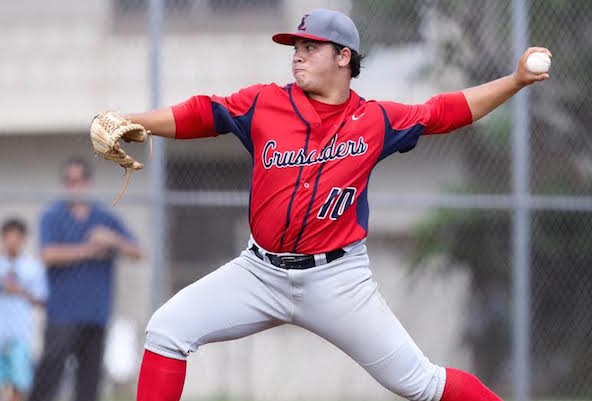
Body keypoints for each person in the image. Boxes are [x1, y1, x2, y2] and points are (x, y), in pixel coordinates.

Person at [121, 9, 551, 401]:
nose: (297, 56)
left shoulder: (375, 120)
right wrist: (132, 121)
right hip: (259, 271)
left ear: (344, 56)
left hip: (337, 280)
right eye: (296, 47)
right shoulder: (266, 103)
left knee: (422, 383)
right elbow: (203, 113)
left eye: (310, 47)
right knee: (167, 329)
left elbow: (444, 111)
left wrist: (514, 81)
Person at [28, 158, 142, 401]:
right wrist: (89, 250)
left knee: (89, 385)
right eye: (69, 181)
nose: (74, 186)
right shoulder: (53, 215)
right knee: (48, 378)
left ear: (88, 183)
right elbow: (48, 254)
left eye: (79, 181)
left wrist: (113, 240)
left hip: (96, 314)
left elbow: (137, 252)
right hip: (61, 314)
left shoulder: (104, 217)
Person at [0, 218, 47, 401]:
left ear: (23, 239)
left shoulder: (32, 267)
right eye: (9, 237)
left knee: (19, 383)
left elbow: (41, 299)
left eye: (17, 237)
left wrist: (19, 291)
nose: (13, 241)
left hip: (20, 334)